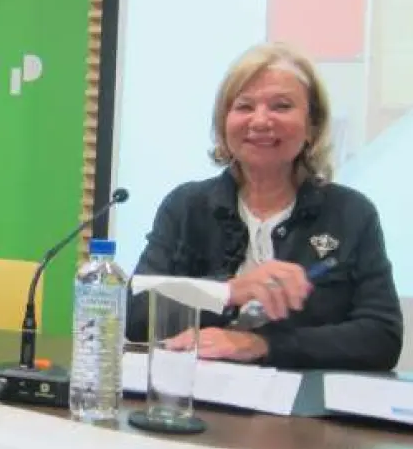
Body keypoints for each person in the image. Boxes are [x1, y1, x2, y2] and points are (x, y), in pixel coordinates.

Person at [127, 42, 403, 371]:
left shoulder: (351, 213)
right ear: (224, 122)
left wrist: (264, 345)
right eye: (244, 106)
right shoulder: (187, 206)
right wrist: (228, 292)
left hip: (302, 399)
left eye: (281, 106)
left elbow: (382, 337)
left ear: (312, 125)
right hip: (194, 393)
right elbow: (135, 315)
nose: (260, 121)